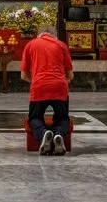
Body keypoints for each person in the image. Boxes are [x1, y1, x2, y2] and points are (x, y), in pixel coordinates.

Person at [21, 26, 74, 156]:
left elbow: (23, 75)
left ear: (39, 35)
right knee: (62, 117)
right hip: (59, 86)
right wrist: (62, 83)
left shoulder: (30, 45)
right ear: (54, 36)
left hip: (39, 86)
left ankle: (44, 133)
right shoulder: (61, 45)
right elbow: (70, 75)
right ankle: (59, 135)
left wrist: (35, 82)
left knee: (34, 118)